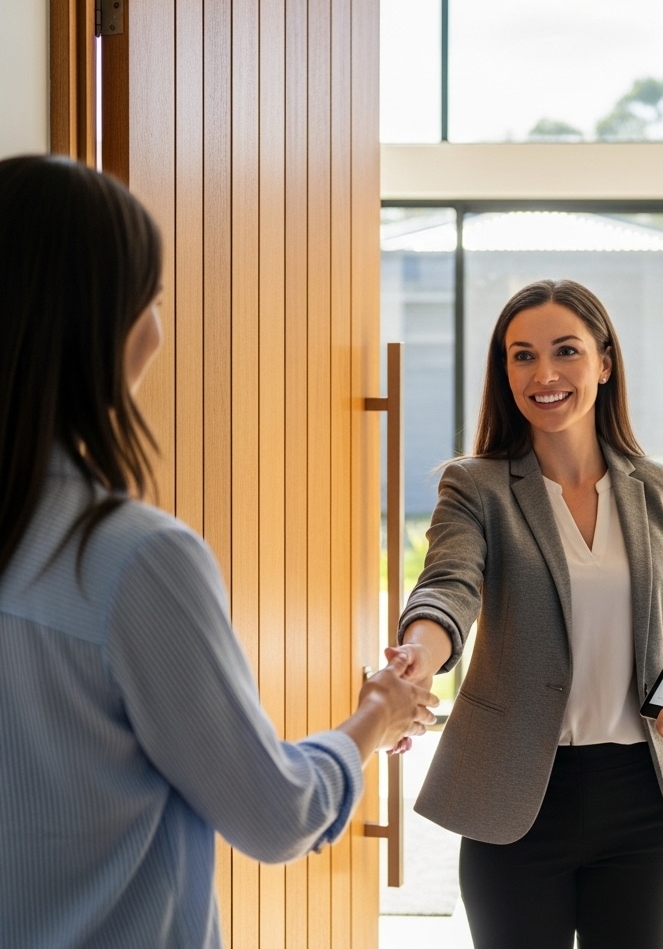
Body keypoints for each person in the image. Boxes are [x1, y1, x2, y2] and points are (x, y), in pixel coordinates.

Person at [0, 154, 438, 949]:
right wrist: (376, 715)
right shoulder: (133, 561)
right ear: (100, 321)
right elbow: (274, 815)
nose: (160, 330)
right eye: (153, 299)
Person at [391, 279, 663, 949]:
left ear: (603, 361)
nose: (544, 374)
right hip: (518, 796)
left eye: (565, 351)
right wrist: (419, 657)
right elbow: (447, 585)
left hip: (646, 798)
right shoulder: (475, 485)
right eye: (521, 356)